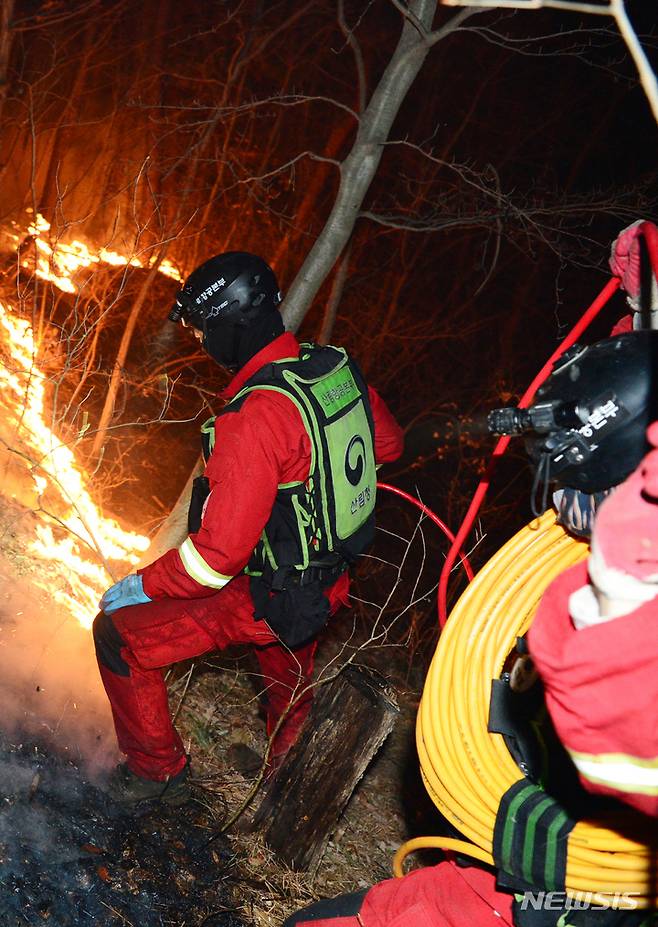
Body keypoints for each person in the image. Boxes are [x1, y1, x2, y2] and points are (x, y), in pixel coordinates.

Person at [93, 251, 404, 805]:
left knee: (119, 639)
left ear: (228, 324)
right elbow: (388, 445)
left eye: (202, 329)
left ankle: (155, 771)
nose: (200, 342)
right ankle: (287, 783)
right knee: (288, 680)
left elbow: (215, 559)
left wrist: (144, 584)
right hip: (327, 583)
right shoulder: (332, 368)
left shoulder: (255, 416)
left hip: (260, 592)